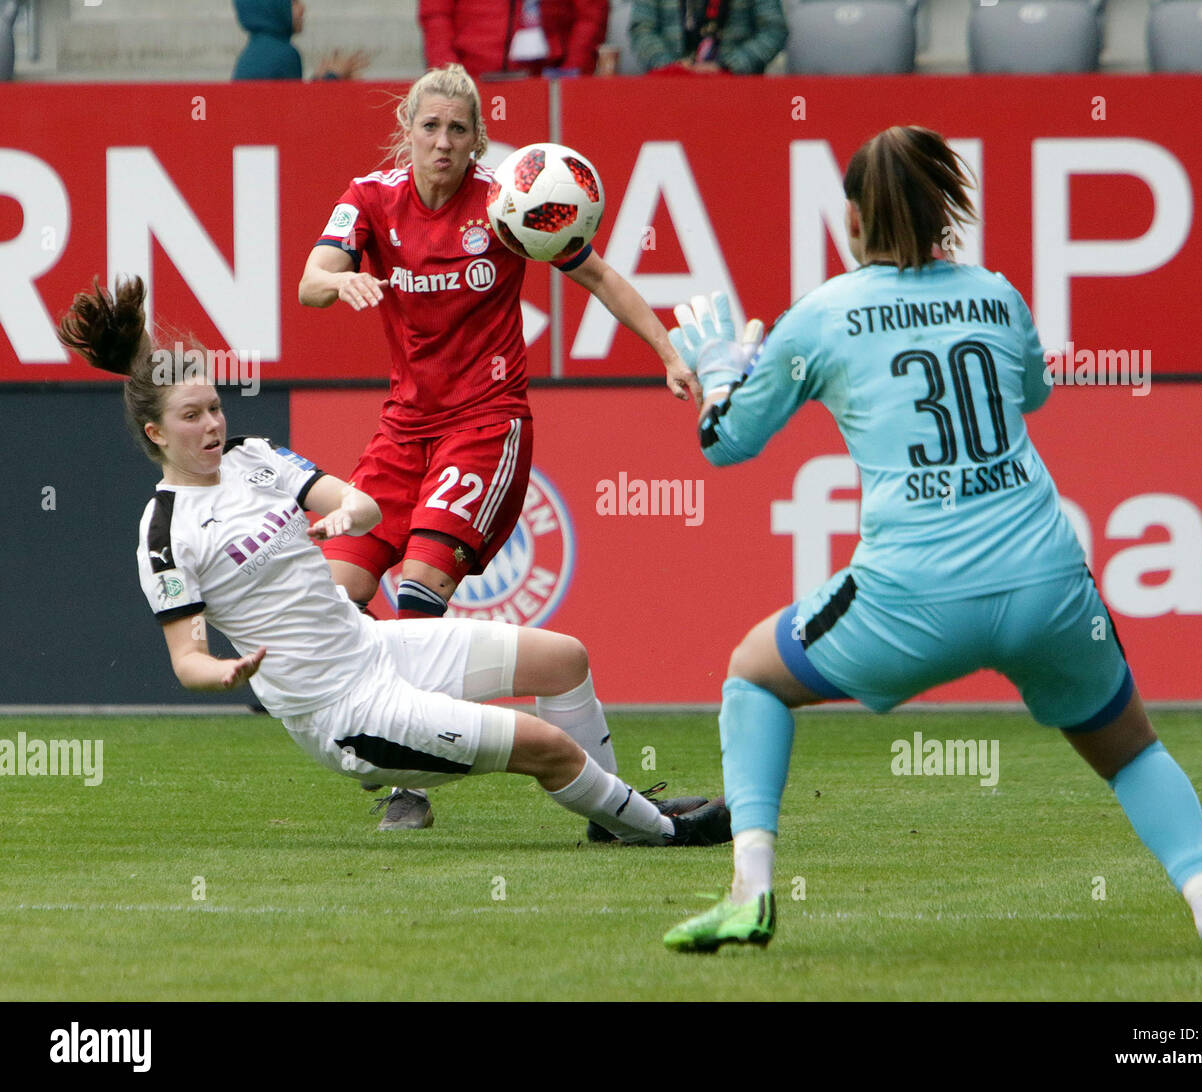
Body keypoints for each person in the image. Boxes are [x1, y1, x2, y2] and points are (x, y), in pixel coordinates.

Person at [660, 126, 1202, 958]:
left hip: (914, 596)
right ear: (943, 205)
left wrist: (725, 373)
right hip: (1048, 581)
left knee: (752, 677)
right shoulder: (996, 292)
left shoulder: (824, 314)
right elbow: (1034, 395)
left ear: (856, 220)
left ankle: (749, 890)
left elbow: (727, 443)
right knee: (1128, 750)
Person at [56, 275, 728, 850]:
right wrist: (224, 671)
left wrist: (350, 512)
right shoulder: (165, 532)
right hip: (345, 712)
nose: (211, 426)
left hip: (377, 647)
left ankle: (611, 819)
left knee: (565, 657)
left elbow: (362, 505)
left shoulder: (254, 456)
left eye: (213, 408)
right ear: (155, 433)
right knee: (546, 749)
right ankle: (657, 832)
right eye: (191, 417)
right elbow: (186, 658)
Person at [299, 63, 696, 830]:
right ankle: (408, 747)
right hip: (401, 431)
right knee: (331, 604)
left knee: (418, 599)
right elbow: (312, 277)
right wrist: (341, 282)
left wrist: (669, 352)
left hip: (486, 425)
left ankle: (410, 781)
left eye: (458, 130)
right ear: (406, 131)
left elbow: (601, 277)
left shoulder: (509, 203)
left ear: (477, 138)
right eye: (429, 127)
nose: (442, 143)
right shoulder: (371, 199)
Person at [419, 0, 609, 78]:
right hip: (472, 79)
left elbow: (591, 15)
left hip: (546, 81)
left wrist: (572, 71)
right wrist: (449, 74)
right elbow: (436, 14)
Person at [628, 0, 787, 74]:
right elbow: (642, 29)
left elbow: (773, 29)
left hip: (738, 90)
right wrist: (673, 67)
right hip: (669, 90)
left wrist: (729, 66)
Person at [232, 0, 369, 81]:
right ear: (272, 8)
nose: (302, 9)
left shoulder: (252, 53)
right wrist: (332, 78)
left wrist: (319, 80)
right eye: (293, 2)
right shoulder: (284, 54)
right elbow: (298, 116)